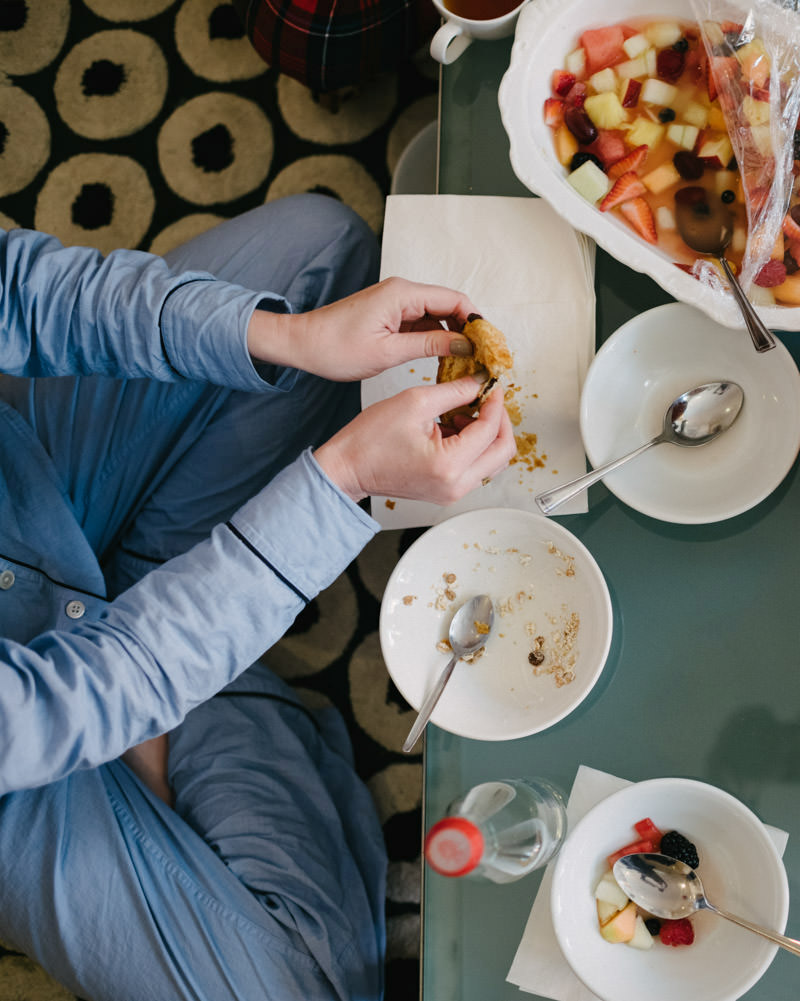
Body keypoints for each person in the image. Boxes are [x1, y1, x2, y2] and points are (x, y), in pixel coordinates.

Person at [0, 193, 514, 1001]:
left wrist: (287, 337)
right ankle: (199, 657)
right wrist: (339, 483)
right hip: (23, 760)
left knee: (322, 258)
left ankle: (188, 624)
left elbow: (20, 291)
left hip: (27, 490)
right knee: (305, 982)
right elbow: (43, 712)